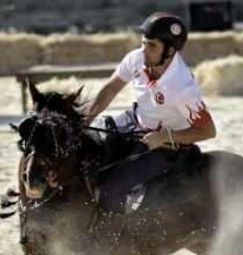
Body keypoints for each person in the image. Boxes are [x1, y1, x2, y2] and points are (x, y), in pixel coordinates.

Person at [81, 12, 216, 213]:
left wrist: (164, 138)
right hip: (134, 120)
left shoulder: (181, 88)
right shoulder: (136, 59)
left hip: (168, 145)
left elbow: (208, 131)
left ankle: (115, 239)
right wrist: (85, 120)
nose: (143, 50)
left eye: (152, 45)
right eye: (143, 43)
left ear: (170, 51)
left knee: (112, 187)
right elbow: (110, 89)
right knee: (85, 153)